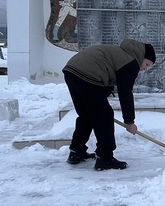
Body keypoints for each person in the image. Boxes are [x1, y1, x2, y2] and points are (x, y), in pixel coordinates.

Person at [62, 39, 155, 171]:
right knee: (105, 116)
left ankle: (76, 151)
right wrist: (129, 121)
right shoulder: (131, 61)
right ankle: (105, 158)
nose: (145, 68)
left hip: (72, 71)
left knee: (86, 115)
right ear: (142, 57)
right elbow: (125, 93)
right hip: (87, 75)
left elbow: (108, 80)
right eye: (147, 64)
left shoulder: (120, 54)